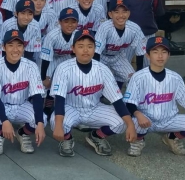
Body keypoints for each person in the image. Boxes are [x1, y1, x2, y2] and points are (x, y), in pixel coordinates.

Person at [50, 29, 137, 157]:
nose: (85, 50)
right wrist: (58, 126)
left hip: (94, 108)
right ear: (73, 49)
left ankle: (96, 136)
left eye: (90, 46)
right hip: (70, 108)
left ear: (95, 49)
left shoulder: (103, 69)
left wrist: (130, 124)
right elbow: (59, 100)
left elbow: (117, 99)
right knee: (57, 122)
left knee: (123, 122)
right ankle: (67, 139)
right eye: (81, 46)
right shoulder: (63, 68)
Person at [124, 36, 185, 157]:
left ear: (168, 55)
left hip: (170, 120)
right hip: (146, 120)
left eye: (164, 52)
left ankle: (172, 137)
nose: (160, 56)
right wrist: (138, 114)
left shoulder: (175, 78)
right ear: (148, 55)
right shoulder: (138, 77)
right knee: (133, 122)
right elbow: (129, 103)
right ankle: (138, 141)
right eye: (155, 52)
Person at [0, 30, 46, 155]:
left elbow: (37, 96)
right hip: (2, 104)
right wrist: (5, 121)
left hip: (22, 105)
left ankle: (22, 133)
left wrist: (40, 123)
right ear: (4, 47)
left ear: (24, 47)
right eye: (11, 45)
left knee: (42, 119)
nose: (15, 49)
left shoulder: (31, 66)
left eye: (19, 45)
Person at [94, 0, 146, 88]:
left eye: (124, 12)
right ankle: (104, 94)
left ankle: (119, 92)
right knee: (98, 79)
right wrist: (95, 71)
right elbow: (96, 52)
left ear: (128, 13)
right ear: (110, 14)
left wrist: (138, 73)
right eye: (116, 12)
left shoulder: (135, 28)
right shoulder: (105, 27)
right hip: (102, 57)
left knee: (134, 79)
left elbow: (140, 52)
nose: (121, 15)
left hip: (118, 57)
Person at [40, 8, 79, 117]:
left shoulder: (78, 35)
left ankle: (51, 107)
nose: (70, 25)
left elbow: (77, 55)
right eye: (66, 21)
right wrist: (43, 77)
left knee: (69, 81)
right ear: (59, 22)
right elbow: (45, 59)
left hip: (65, 58)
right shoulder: (52, 35)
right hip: (50, 59)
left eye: (73, 22)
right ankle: (40, 108)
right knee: (45, 85)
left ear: (77, 23)